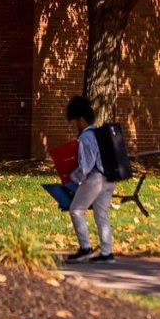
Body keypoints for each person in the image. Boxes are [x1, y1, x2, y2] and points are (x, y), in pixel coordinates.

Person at [63, 94, 116, 264]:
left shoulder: (86, 138)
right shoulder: (100, 134)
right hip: (110, 178)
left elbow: (85, 166)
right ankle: (107, 253)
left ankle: (85, 248)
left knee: (76, 210)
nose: (76, 125)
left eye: (76, 121)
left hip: (95, 178)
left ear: (80, 119)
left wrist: (71, 178)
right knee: (101, 213)